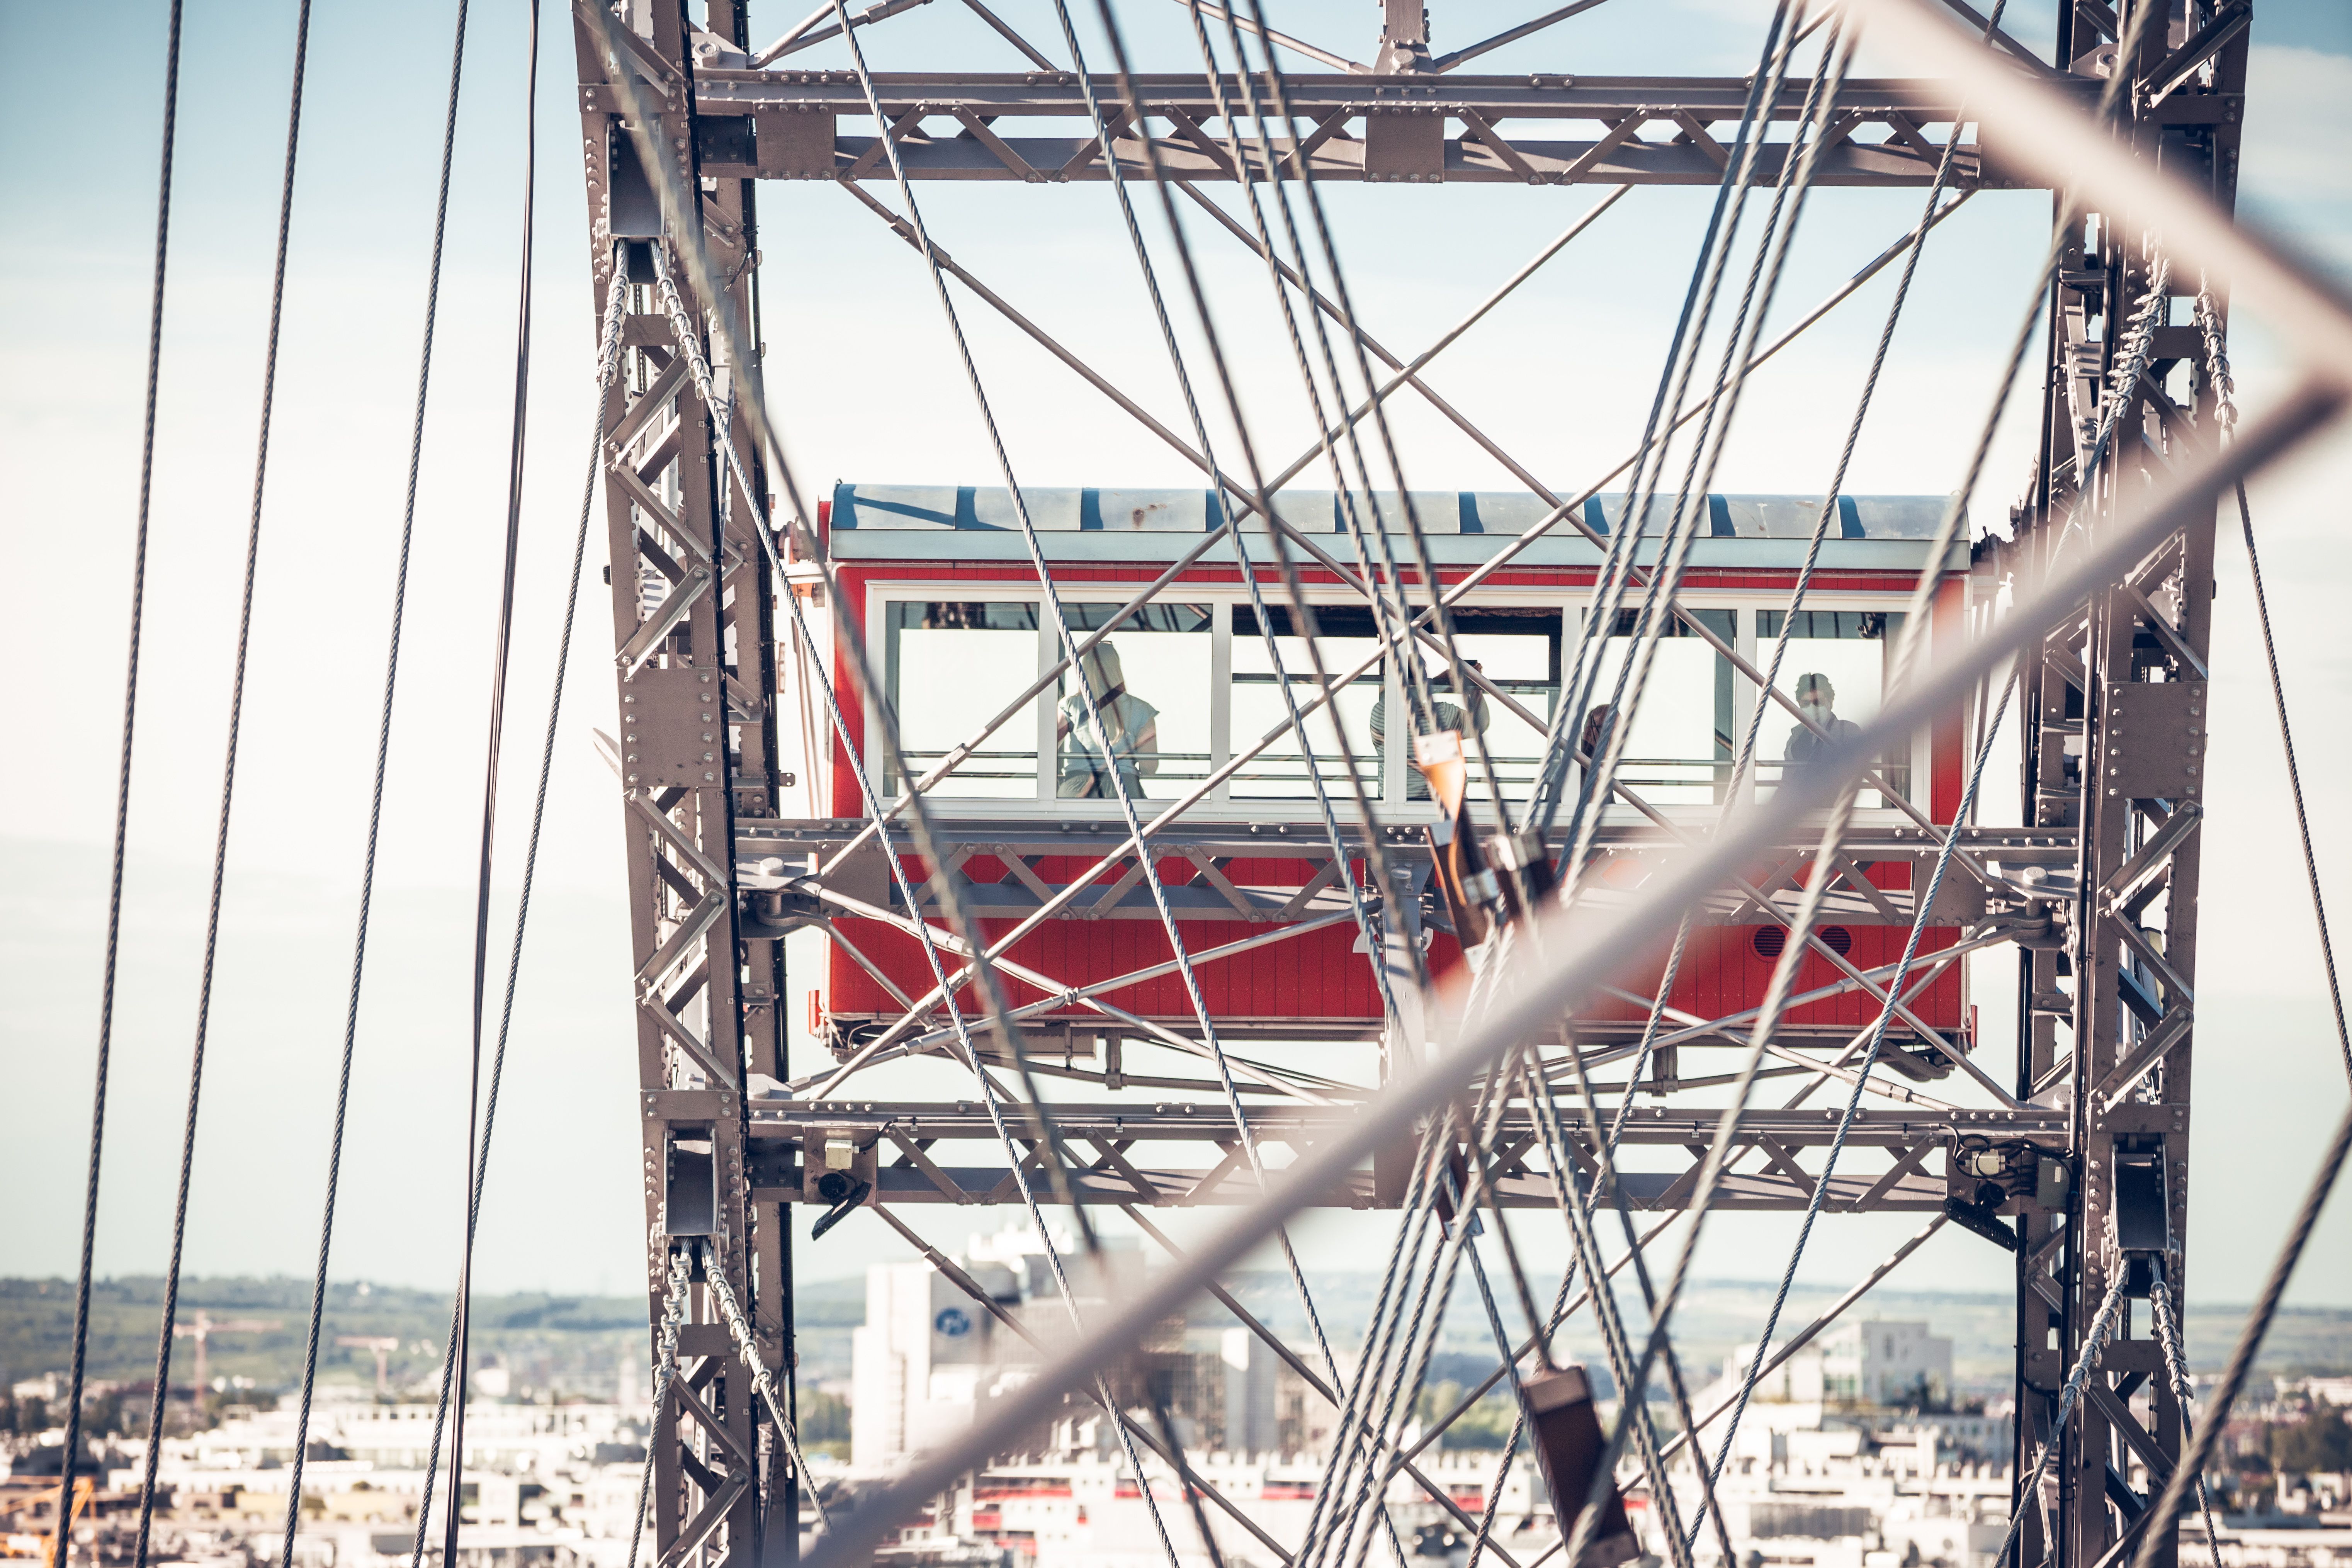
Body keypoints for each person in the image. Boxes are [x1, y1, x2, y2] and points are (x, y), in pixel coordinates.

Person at [1369, 659, 1489, 801]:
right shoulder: (1441, 714)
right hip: (1442, 801)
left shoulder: (1380, 714)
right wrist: (1475, 687)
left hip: (1393, 800)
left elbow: (1397, 697)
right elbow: (1481, 723)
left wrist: (1436, 684)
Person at [1057, 641, 1160, 798]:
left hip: (1076, 787)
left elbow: (1048, 749)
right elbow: (1150, 767)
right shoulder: (1142, 710)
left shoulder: (1070, 705)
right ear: (1117, 669)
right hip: (1125, 787)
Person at [1782, 671, 1862, 792]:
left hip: (1836, 800)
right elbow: (1787, 782)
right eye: (1806, 703)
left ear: (1830, 702)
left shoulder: (1848, 731)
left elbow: (1855, 773)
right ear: (1799, 705)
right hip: (1803, 801)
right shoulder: (1795, 739)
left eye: (1818, 702)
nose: (1812, 707)